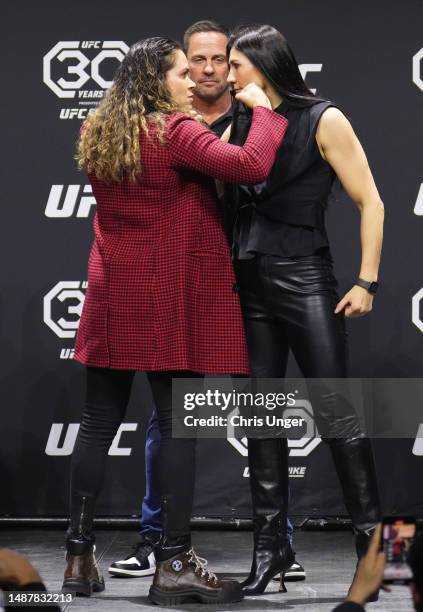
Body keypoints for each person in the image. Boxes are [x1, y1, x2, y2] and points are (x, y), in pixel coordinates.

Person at [63, 35, 288, 606]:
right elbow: (251, 163)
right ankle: (174, 563)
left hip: (114, 290)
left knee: (95, 423)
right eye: (182, 73)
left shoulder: (100, 132)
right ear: (156, 81)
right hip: (169, 296)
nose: (194, 82)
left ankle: (77, 557)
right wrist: (262, 110)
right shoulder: (177, 132)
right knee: (178, 424)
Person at [109, 19, 306, 585]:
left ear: (235, 64)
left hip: (253, 270)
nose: (210, 69)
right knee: (169, 416)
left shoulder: (255, 115)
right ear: (183, 67)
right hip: (191, 279)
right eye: (196, 60)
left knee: (264, 406)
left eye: (222, 59)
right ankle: (156, 541)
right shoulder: (169, 125)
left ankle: (277, 543)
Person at [223, 25, 384, 596]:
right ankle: (271, 550)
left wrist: (366, 280)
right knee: (262, 418)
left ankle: (371, 550)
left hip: (305, 278)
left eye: (236, 64)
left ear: (264, 65)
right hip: (250, 282)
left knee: (337, 413)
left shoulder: (324, 118)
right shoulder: (240, 117)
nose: (227, 74)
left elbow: (372, 201)